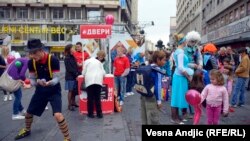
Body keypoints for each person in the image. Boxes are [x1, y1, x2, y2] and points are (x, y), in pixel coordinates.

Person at [15, 39, 71, 141]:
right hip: (40, 91)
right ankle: (27, 130)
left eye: (34, 53)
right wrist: (32, 84)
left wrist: (49, 82)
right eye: (30, 53)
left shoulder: (53, 59)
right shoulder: (31, 62)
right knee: (28, 113)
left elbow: (57, 78)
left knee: (58, 115)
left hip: (54, 91)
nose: (32, 56)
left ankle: (67, 138)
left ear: (41, 50)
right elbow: (32, 79)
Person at [171, 33, 193, 125]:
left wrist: (192, 66)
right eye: (186, 40)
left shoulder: (178, 51)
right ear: (183, 41)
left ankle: (177, 116)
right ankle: (174, 117)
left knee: (179, 96)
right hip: (180, 76)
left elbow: (181, 65)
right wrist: (188, 76)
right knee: (176, 97)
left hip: (180, 76)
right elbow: (180, 67)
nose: (187, 42)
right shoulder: (180, 52)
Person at [141, 50, 166, 125]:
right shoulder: (157, 70)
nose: (165, 62)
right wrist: (159, 101)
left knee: (145, 119)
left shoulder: (148, 67)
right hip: (152, 97)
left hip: (143, 96)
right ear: (158, 59)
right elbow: (158, 86)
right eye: (164, 60)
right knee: (153, 120)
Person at [64, 44, 81, 111]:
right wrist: (76, 74)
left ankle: (73, 102)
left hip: (74, 76)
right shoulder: (67, 58)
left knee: (74, 90)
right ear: (69, 49)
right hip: (70, 76)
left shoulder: (72, 56)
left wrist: (77, 74)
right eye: (73, 48)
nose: (74, 49)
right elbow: (69, 68)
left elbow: (75, 66)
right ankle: (69, 105)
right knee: (70, 90)